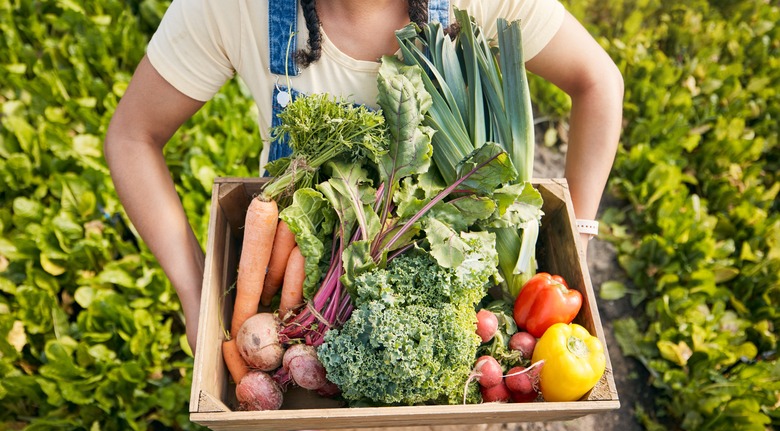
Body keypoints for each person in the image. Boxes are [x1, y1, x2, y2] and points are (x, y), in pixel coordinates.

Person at [104, 0, 623, 356]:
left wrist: (576, 239)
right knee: (289, 375)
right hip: (297, 275)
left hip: (454, 281)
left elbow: (598, 81)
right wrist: (196, 294)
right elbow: (132, 136)